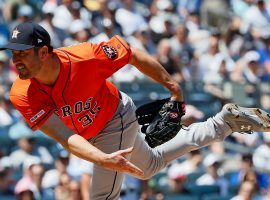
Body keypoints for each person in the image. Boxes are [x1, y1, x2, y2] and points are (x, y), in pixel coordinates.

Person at [1, 21, 270, 200]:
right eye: (13, 53)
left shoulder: (84, 57)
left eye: (22, 52)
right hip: (87, 137)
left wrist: (173, 87)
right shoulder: (21, 93)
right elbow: (66, 138)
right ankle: (223, 124)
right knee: (150, 166)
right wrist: (102, 158)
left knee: (101, 197)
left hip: (114, 118)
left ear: (44, 52)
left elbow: (132, 54)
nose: (15, 59)